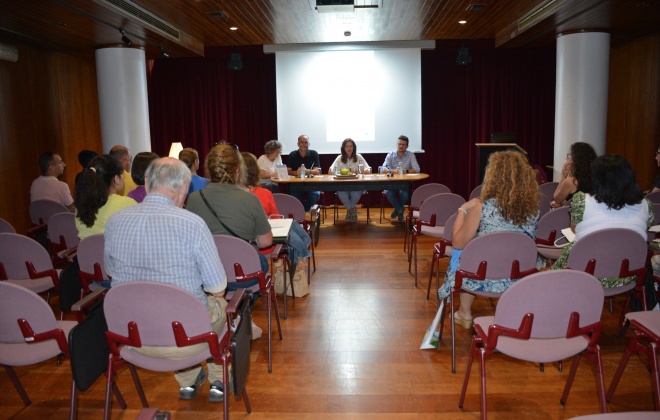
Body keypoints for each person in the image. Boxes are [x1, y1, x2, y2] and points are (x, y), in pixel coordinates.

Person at [104, 157, 230, 403]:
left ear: (149, 184)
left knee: (175, 309)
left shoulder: (115, 221)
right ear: (184, 187)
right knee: (222, 306)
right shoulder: (192, 223)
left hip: (133, 338)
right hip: (185, 341)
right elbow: (218, 287)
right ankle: (219, 379)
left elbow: (110, 272)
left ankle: (189, 381)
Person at [437, 151, 539, 328]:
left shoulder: (481, 207)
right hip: (518, 275)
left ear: (493, 177)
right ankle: (505, 312)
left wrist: (462, 210)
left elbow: (458, 242)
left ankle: (465, 312)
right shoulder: (533, 210)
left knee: (465, 254)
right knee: (487, 253)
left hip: (480, 277)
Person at [552, 154, 654, 288]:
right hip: (627, 276)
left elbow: (574, 230)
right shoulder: (646, 204)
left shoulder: (582, 200)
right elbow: (645, 228)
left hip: (584, 273)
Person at [186, 144, 273, 279]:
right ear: (237, 170)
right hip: (243, 272)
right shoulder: (251, 199)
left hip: (207, 274)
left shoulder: (193, 199)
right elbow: (266, 242)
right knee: (261, 262)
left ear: (210, 169)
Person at [242, 151, 312, 263]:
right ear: (255, 171)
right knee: (289, 225)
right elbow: (277, 222)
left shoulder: (225, 197)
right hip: (264, 248)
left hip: (233, 250)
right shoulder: (264, 194)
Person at [74, 155, 136, 239]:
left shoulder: (80, 204)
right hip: (115, 252)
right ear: (116, 179)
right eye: (122, 175)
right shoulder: (128, 204)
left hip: (87, 251)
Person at [328, 138, 370, 222]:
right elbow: (330, 171)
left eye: (351, 146)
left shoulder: (358, 157)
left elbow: (368, 170)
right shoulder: (339, 158)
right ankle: (352, 211)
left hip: (357, 184)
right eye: (347, 146)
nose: (349, 148)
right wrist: (339, 172)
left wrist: (356, 171)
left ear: (354, 148)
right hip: (343, 185)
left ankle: (350, 211)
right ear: (344, 148)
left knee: (355, 193)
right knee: (341, 192)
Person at [381, 135, 421, 222]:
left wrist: (405, 171)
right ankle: (400, 208)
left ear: (407, 146)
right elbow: (383, 169)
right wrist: (394, 171)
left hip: (405, 184)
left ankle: (398, 209)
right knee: (388, 193)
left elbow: (417, 169)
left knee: (404, 194)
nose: (401, 146)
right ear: (396, 145)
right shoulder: (390, 154)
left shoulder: (410, 155)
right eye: (399, 144)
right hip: (392, 183)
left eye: (403, 144)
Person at [551, 142, 596, 208]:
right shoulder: (596, 178)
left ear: (576, 160)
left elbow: (556, 199)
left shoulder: (571, 182)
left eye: (570, 156)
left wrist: (563, 176)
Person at [286, 135, 321, 212]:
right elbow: (288, 170)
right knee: (294, 198)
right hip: (296, 184)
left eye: (306, 142)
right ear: (298, 144)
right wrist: (295, 173)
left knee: (315, 195)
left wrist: (307, 171)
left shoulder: (314, 153)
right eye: (301, 142)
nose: (304, 144)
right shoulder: (293, 154)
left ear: (309, 144)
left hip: (311, 184)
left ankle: (303, 210)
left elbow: (317, 171)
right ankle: (304, 211)